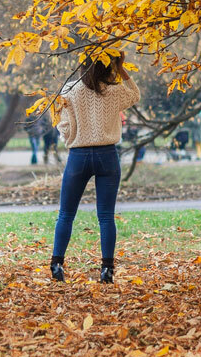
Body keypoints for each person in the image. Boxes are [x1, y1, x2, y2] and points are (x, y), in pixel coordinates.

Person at [50, 53, 140, 284]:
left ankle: (57, 264)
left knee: (66, 214)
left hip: (78, 156)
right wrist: (121, 70)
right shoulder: (114, 90)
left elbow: (64, 125)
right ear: (107, 66)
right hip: (107, 155)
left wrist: (70, 137)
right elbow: (135, 95)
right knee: (106, 216)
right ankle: (107, 270)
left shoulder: (69, 89)